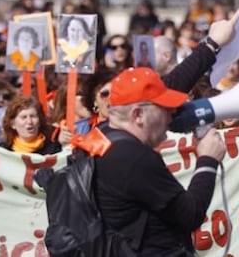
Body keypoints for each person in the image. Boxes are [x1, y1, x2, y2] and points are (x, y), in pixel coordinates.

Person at [94, 67, 226, 255]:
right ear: (137, 115)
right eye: (163, 108)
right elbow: (190, 215)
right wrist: (208, 161)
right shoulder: (133, 157)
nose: (171, 114)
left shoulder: (103, 136)